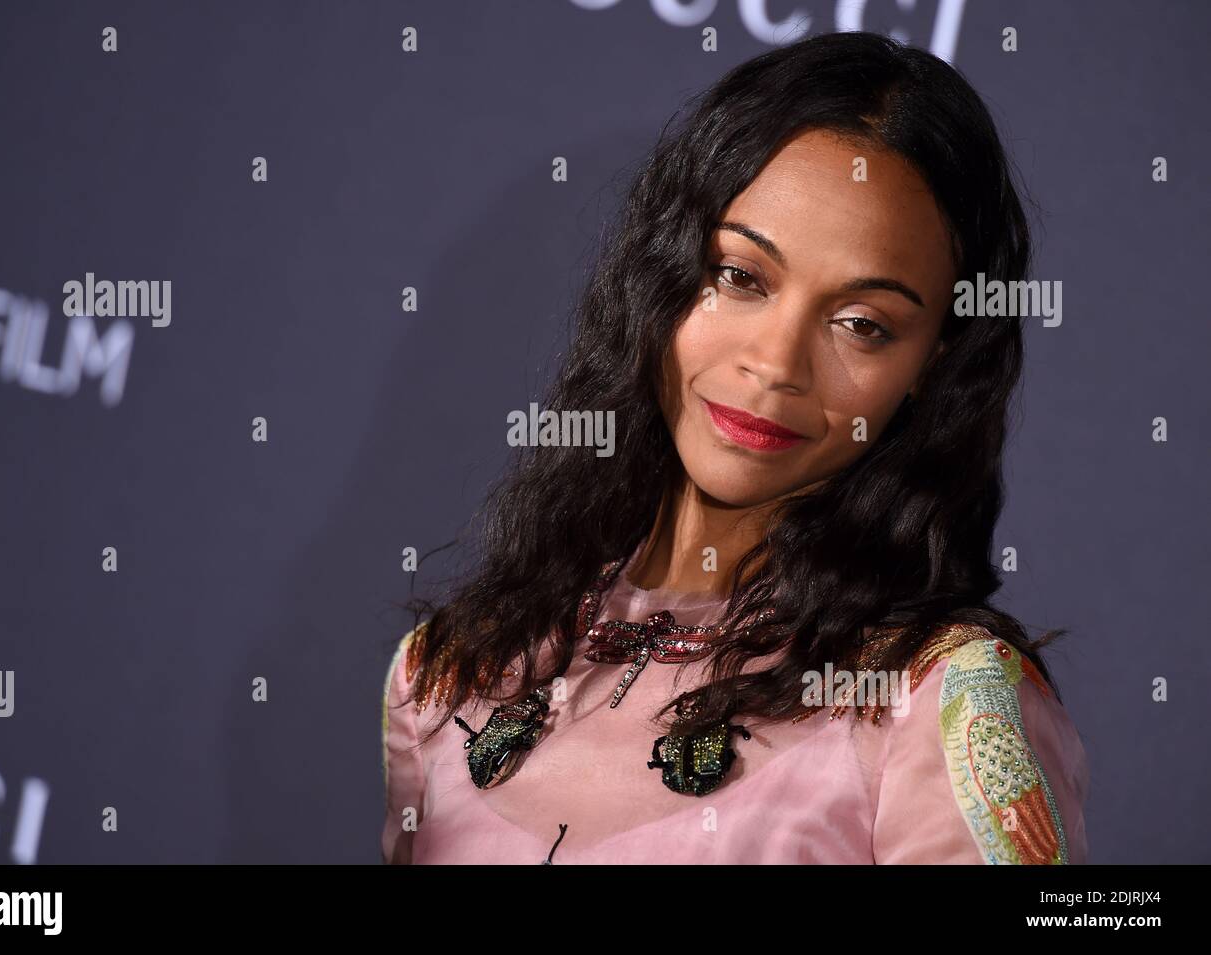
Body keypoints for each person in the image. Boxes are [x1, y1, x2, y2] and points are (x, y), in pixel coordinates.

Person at [381, 30, 1088, 864]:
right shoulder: (452, 670)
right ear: (662, 274)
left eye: (862, 324)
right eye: (740, 277)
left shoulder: (939, 702)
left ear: (933, 367)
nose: (776, 364)